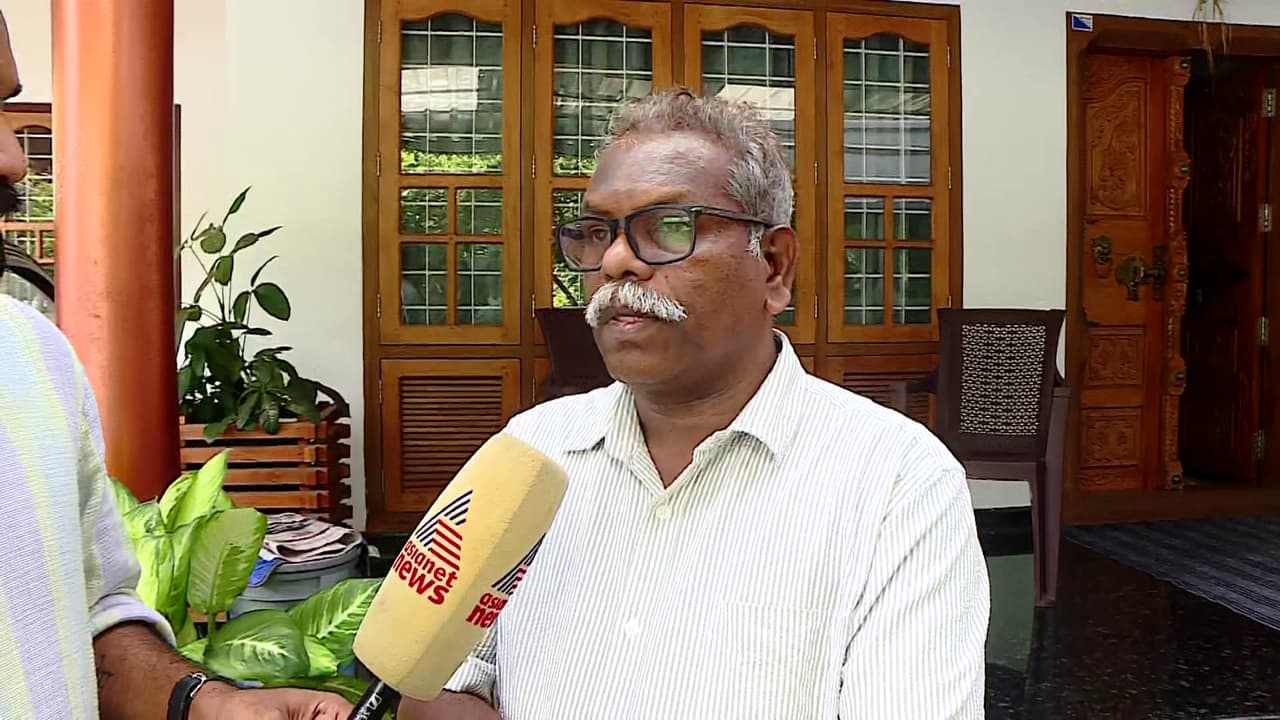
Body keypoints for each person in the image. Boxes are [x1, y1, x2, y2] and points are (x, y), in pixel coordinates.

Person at [401, 88, 990, 719]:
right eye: (596, 233)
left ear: (774, 266)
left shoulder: (897, 482)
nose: (615, 261)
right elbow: (439, 682)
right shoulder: (530, 451)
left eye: (669, 227)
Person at [0, 12, 352, 720]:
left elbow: (93, 611)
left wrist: (206, 702)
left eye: (4, 107)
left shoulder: (32, 353)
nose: (14, 158)